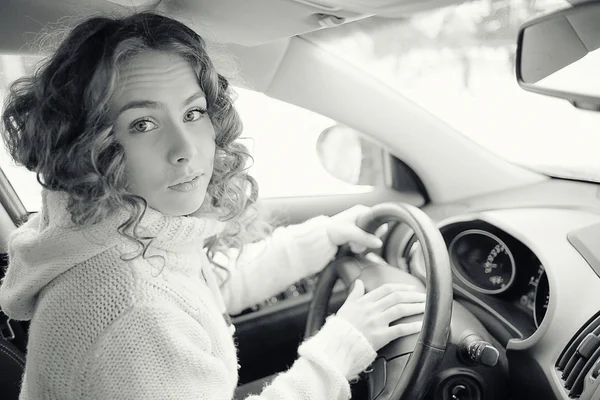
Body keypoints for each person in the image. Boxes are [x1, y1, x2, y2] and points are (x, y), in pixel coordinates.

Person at [0, 12, 426, 400]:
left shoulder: (113, 229)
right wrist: (338, 351)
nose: (186, 149)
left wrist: (323, 238)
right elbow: (161, 305)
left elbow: (204, 291)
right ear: (88, 146)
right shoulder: (131, 311)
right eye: (142, 124)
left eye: (193, 113)